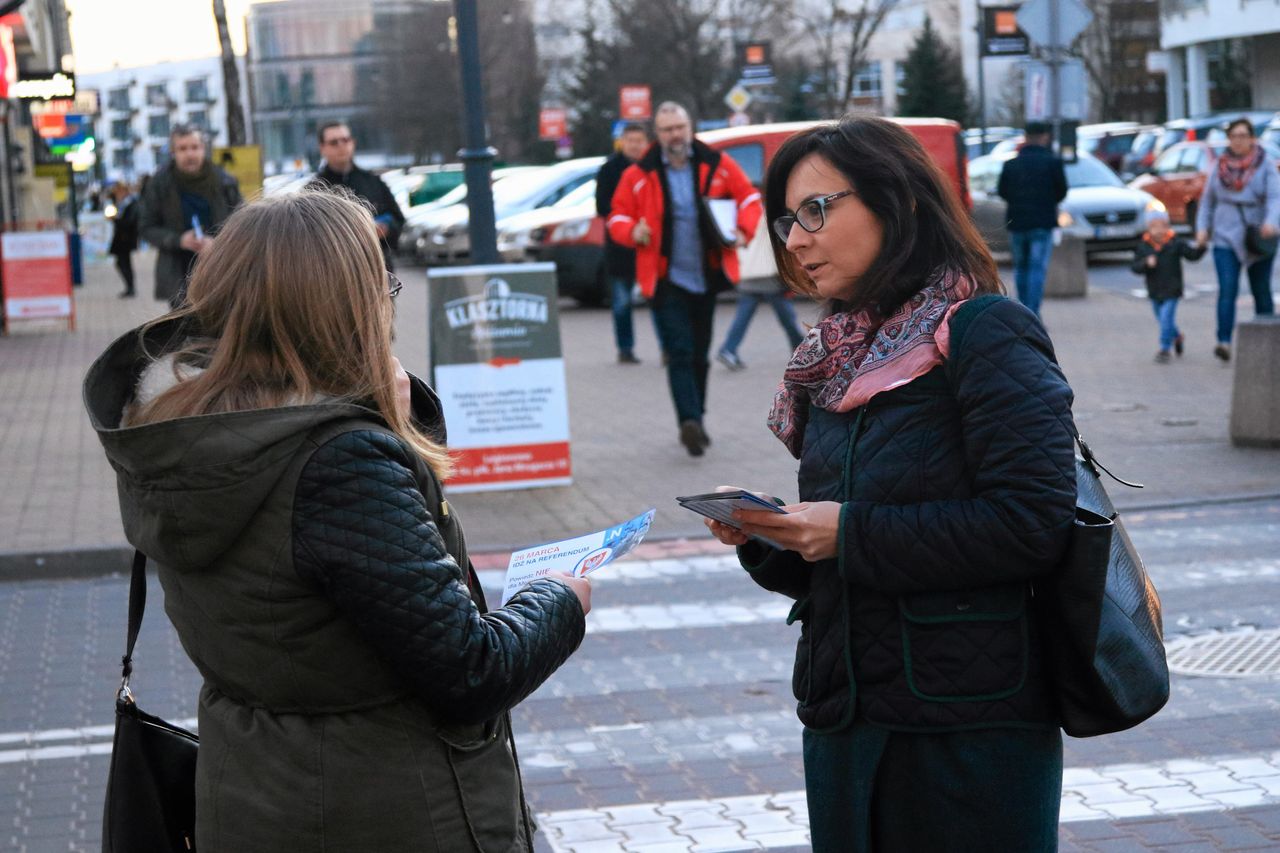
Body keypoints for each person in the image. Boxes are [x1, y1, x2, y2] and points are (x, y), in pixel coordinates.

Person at [83, 191, 590, 851]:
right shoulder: (338, 462)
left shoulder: (185, 432)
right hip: (385, 807)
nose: (388, 303)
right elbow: (470, 671)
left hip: (252, 791)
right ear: (343, 307)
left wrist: (386, 421)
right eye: (381, 285)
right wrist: (560, 598)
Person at [703, 116, 1077, 852]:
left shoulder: (985, 331)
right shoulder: (836, 356)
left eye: (815, 211)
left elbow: (1032, 523)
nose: (794, 239)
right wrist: (771, 534)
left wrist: (845, 530)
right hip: (847, 722)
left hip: (965, 735)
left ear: (895, 202)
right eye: (786, 220)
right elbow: (845, 550)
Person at [607, 102, 763, 456]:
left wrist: (743, 229)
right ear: (657, 134)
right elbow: (615, 217)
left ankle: (698, 418)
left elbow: (750, 198)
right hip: (664, 278)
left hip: (706, 275)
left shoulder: (716, 164)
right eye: (667, 130)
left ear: (689, 127)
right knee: (678, 350)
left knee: (700, 354)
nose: (674, 135)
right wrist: (634, 230)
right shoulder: (638, 174)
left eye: (679, 127)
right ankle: (688, 422)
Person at [1194, 117, 1280, 361]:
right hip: (1225, 235)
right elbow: (1207, 201)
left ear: (1252, 138)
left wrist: (1271, 223)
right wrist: (1202, 229)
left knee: (1261, 289)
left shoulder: (1265, 165)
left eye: (1243, 136)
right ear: (1229, 139)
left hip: (1258, 236)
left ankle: (1268, 343)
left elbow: (1276, 198)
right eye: (1234, 136)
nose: (1239, 140)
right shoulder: (1219, 166)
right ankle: (1224, 341)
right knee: (1228, 289)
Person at [139, 124, 243, 308]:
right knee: (185, 331)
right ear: (173, 152)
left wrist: (218, 244)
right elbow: (146, 227)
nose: (189, 154)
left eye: (194, 147)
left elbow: (244, 222)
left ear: (203, 148)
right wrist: (179, 240)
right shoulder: (160, 184)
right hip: (178, 274)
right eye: (182, 148)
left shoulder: (224, 181)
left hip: (221, 270)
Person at [309, 121, 406, 270]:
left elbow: (398, 219)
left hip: (375, 268)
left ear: (353, 143)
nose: (341, 146)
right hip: (334, 271)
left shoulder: (373, 181)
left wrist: (385, 229)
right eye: (334, 142)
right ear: (322, 148)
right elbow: (306, 235)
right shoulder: (314, 189)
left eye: (345, 140)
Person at [997, 121, 1068, 317]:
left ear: (1025, 137)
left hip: (1017, 222)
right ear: (1044, 137)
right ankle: (1033, 314)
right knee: (1037, 268)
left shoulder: (1011, 164)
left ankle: (1022, 311)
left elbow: (1002, 191)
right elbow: (1061, 192)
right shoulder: (1053, 163)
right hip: (1042, 222)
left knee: (1021, 267)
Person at [596, 122, 652, 364]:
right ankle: (625, 348)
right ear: (623, 142)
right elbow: (602, 207)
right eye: (631, 141)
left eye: (640, 141)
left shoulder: (653, 168)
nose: (635, 146)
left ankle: (668, 349)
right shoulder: (610, 169)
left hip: (651, 245)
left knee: (660, 301)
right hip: (620, 247)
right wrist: (628, 222)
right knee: (621, 303)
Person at [1132, 209, 1205, 363]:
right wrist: (1146, 263)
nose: (1159, 230)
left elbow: (1192, 255)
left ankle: (1164, 348)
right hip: (1154, 290)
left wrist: (1201, 246)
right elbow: (1135, 267)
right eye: (1154, 226)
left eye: (1162, 226)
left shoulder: (1176, 243)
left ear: (1168, 227)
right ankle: (1177, 337)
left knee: (1166, 318)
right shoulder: (1144, 246)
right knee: (1163, 319)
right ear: (1148, 228)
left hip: (1172, 289)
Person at [715, 275, 805, 370]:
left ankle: (728, 349)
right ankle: (801, 350)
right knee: (788, 318)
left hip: (748, 280)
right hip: (772, 282)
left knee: (742, 318)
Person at [106, 181, 140, 298]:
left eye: (119, 192)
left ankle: (130, 287)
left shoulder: (131, 204)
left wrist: (115, 219)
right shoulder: (121, 204)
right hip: (122, 238)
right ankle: (129, 287)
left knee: (123, 263)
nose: (117, 194)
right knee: (123, 263)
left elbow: (129, 222)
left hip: (125, 238)